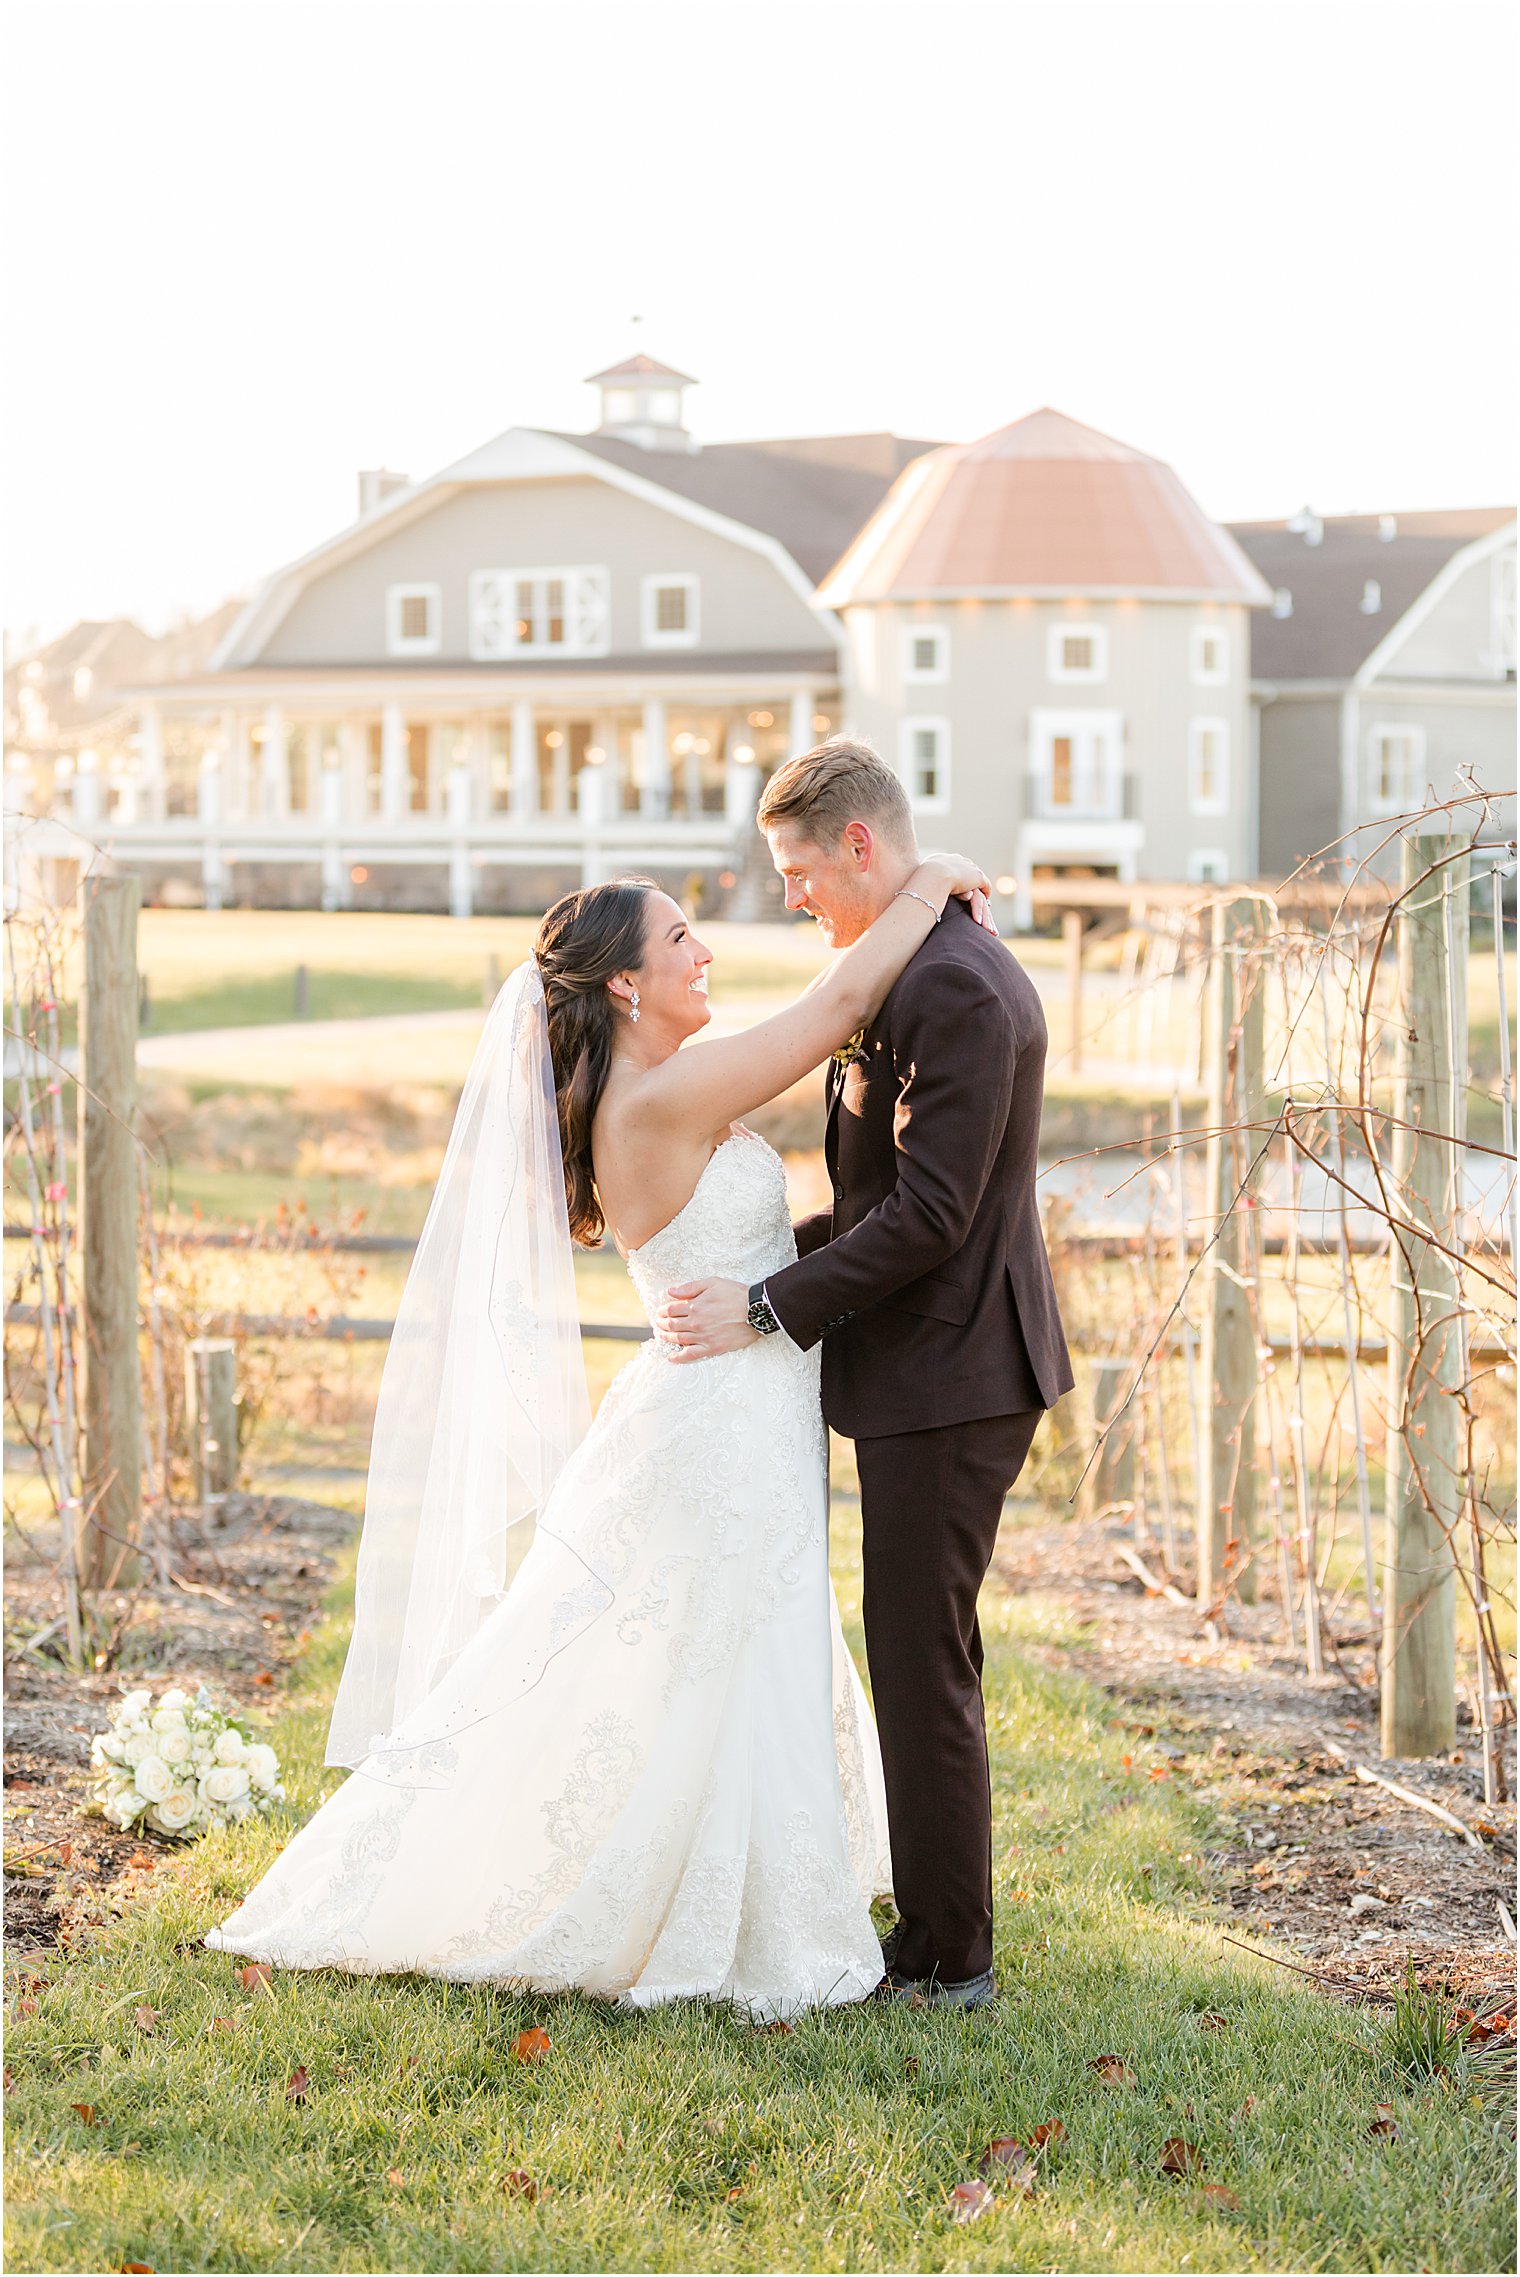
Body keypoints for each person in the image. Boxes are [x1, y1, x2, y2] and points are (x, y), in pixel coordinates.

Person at [205, 843, 992, 2022]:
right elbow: (836, 1005)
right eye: (680, 939)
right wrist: (930, 886)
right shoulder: (663, 1096)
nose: (703, 951)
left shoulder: (665, 1085)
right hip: (717, 1424)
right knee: (705, 1653)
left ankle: (743, 1888)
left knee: (717, 1659)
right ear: (623, 982)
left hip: (738, 1407)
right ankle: (699, 1911)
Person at [658, 740, 1073, 2009]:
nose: (785, 895)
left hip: (956, 1371)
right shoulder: (913, 964)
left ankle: (949, 1961)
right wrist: (758, 1262)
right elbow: (881, 1197)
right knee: (919, 1650)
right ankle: (939, 1923)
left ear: (856, 847)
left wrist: (768, 1306)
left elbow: (933, 1216)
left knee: (919, 1658)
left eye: (794, 869)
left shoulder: (950, 987)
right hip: (928, 1363)